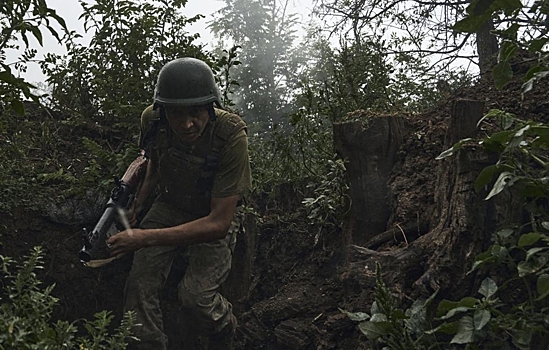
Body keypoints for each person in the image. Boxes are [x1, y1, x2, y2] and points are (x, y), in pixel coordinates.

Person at [106, 57, 252, 350]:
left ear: (211, 107)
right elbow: (154, 162)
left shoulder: (230, 134)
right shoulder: (153, 119)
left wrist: (142, 237)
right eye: (176, 114)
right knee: (138, 286)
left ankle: (226, 329)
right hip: (170, 205)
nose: (186, 124)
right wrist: (138, 204)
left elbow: (219, 223)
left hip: (212, 213)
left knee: (196, 297)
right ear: (163, 111)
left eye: (196, 112)